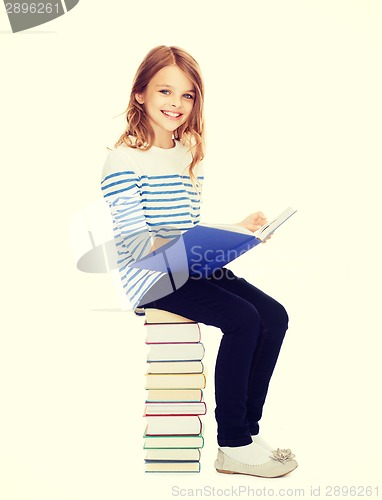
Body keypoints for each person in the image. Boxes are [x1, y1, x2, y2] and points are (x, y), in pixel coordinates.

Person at [101, 45, 297, 478]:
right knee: (244, 319)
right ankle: (231, 444)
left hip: (192, 264)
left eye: (187, 95)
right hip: (150, 275)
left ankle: (247, 429)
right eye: (164, 92)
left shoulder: (189, 151)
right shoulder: (123, 159)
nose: (175, 104)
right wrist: (189, 245)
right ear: (140, 95)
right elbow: (136, 243)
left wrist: (237, 229)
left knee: (274, 316)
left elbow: (187, 224)